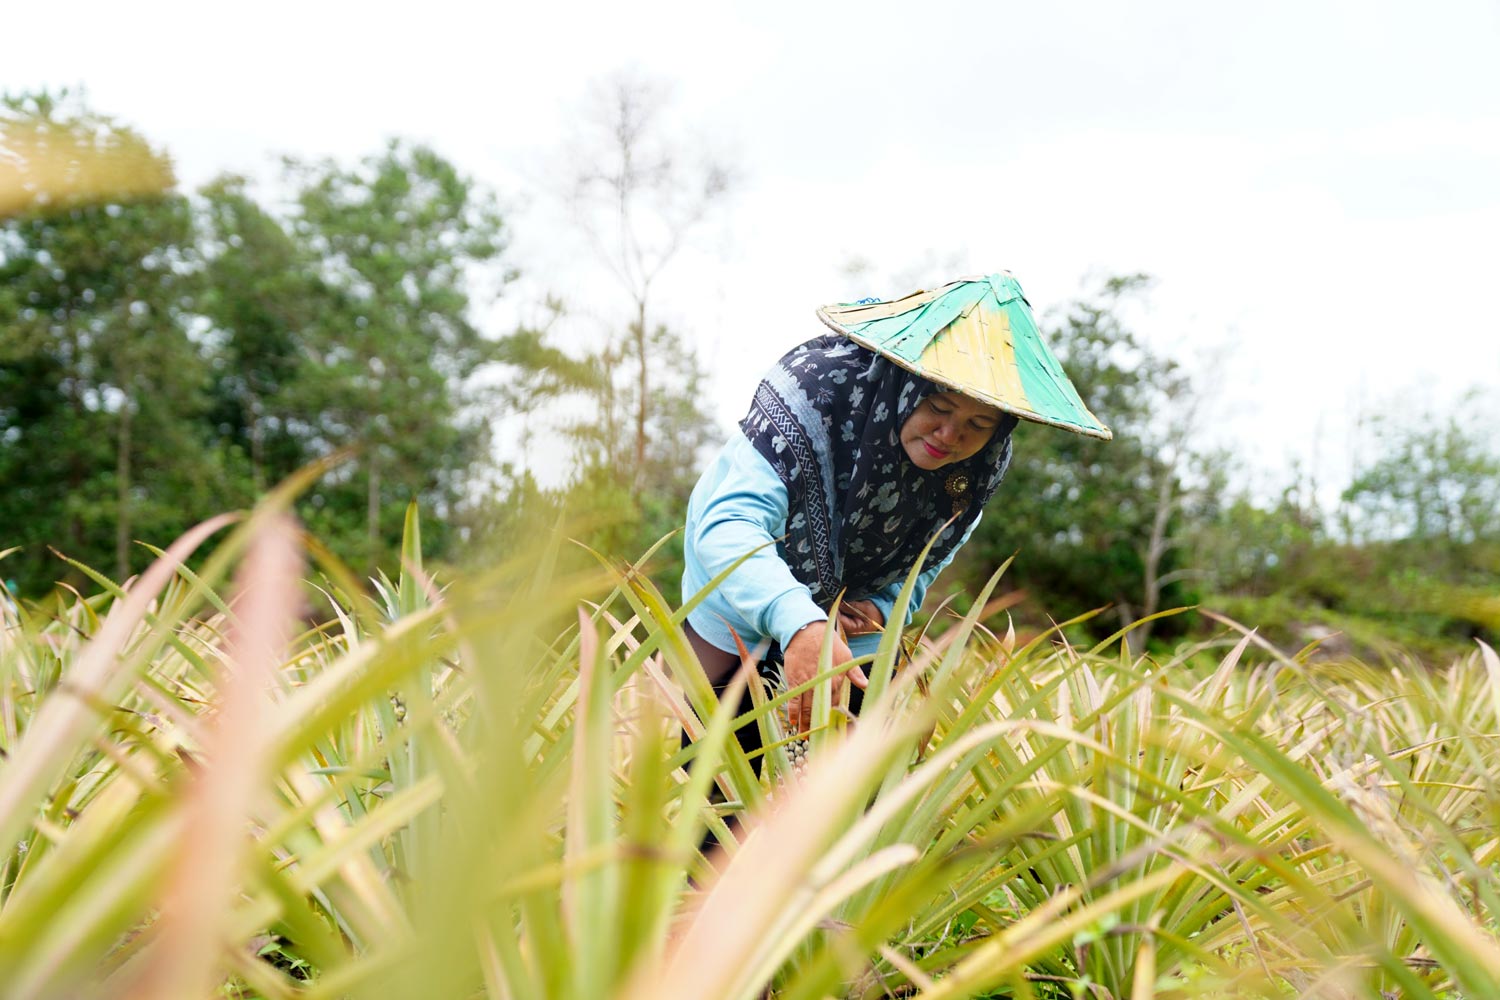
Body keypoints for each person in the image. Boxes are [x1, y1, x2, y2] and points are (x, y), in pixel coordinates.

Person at [680, 272, 1111, 742]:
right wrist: (799, 618)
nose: (950, 437)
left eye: (979, 422)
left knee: (842, 782)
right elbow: (730, 526)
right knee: (721, 779)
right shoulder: (816, 392)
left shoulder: (981, 463)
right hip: (737, 600)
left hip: (853, 616)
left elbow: (932, 554)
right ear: (904, 385)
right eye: (939, 408)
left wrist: (883, 606)